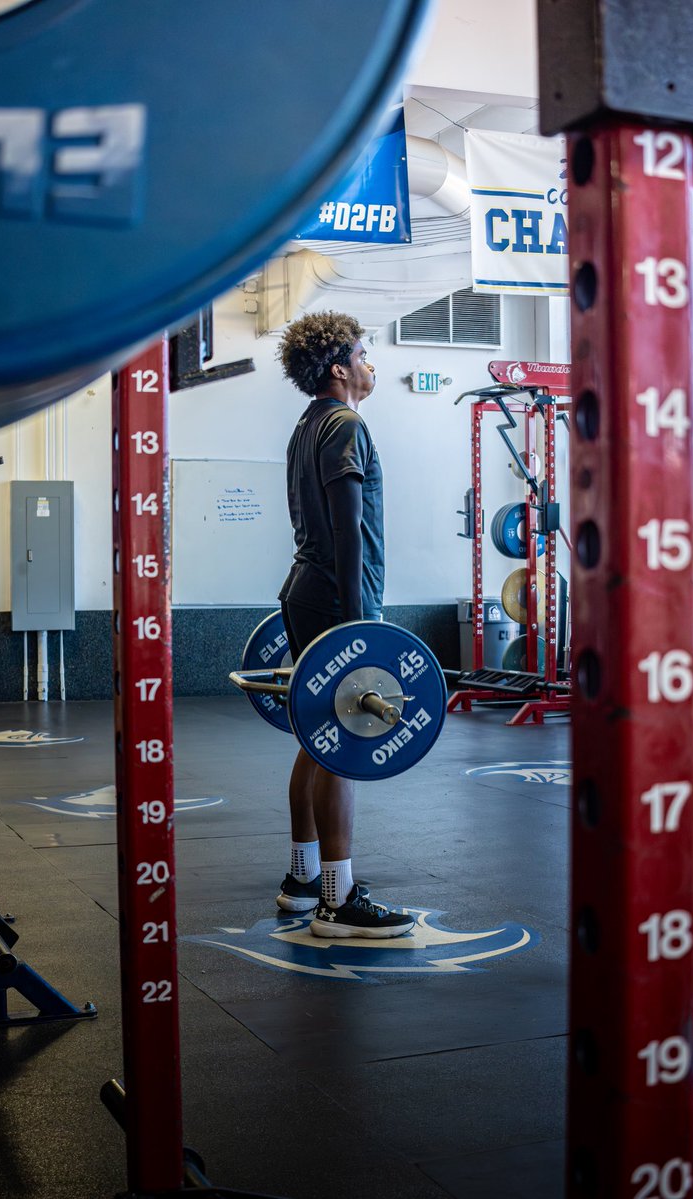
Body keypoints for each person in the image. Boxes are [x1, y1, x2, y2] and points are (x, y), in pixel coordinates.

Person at [275, 311, 414, 940]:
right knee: (343, 741)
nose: (371, 362)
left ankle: (303, 877)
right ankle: (339, 896)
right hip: (336, 598)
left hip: (307, 593)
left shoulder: (307, 426)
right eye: (363, 352)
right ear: (340, 368)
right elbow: (347, 532)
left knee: (316, 739)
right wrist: (361, 633)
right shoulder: (346, 424)